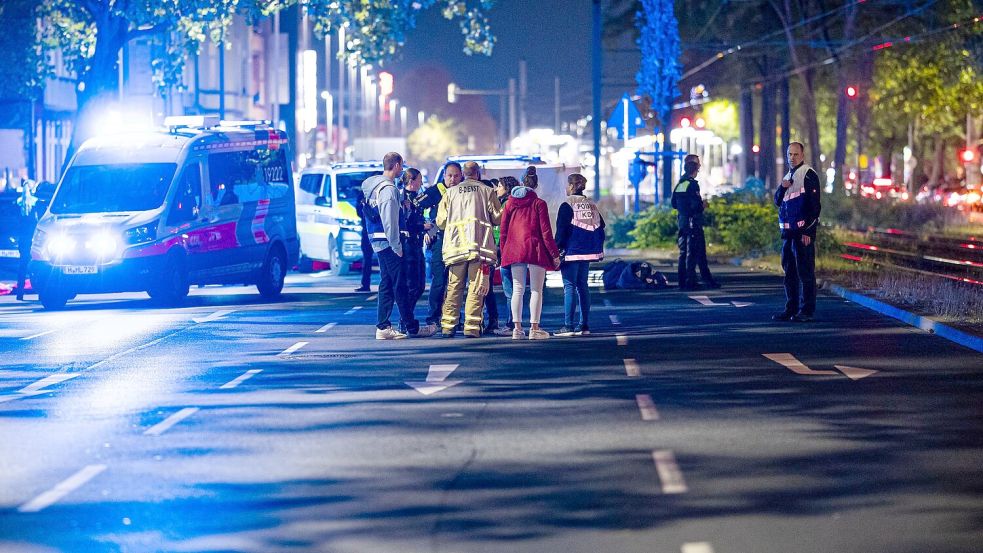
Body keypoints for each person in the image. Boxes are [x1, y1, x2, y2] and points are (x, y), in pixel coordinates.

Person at [361, 152, 434, 339]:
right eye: (401, 165)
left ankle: (383, 327)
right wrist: (397, 246)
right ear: (396, 165)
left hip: (377, 241)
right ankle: (412, 327)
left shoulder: (374, 187)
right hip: (388, 243)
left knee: (387, 283)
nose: (402, 169)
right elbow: (390, 221)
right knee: (400, 285)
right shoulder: (388, 189)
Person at [435, 161, 502, 338]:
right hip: (479, 248)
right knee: (476, 288)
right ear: (478, 174)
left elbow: (440, 222)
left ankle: (448, 326)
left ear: (463, 174)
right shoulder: (487, 191)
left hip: (455, 248)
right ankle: (471, 328)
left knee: (454, 287)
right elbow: (497, 218)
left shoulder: (450, 193)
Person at [500, 166, 561, 340]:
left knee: (517, 290)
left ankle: (517, 329)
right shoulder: (539, 203)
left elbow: (503, 230)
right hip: (535, 250)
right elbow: (546, 233)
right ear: (535, 185)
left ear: (521, 183)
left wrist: (504, 252)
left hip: (514, 250)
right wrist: (555, 255)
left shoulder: (510, 203)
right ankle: (534, 328)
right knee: (536, 290)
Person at [773, 141, 821, 322]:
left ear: (802, 155)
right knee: (790, 273)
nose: (792, 158)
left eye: (795, 154)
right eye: (789, 155)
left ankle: (807, 311)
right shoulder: (788, 175)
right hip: (788, 235)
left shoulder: (808, 174)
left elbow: (814, 206)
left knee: (806, 272)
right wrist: (782, 187)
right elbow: (778, 201)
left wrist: (809, 232)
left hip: (802, 234)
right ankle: (791, 308)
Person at [553, 173, 605, 337]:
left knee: (569, 287)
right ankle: (584, 325)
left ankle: (568, 325)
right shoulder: (591, 204)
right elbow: (601, 225)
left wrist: (556, 250)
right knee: (583, 286)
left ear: (570, 186)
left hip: (571, 252)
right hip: (588, 251)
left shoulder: (567, 204)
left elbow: (561, 232)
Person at [423, 162, 463, 330]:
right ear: (444, 176)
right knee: (439, 281)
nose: (453, 179)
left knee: (455, 282)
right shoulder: (433, 192)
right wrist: (425, 227)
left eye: (456, 175)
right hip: (439, 241)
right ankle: (433, 316)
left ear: (461, 176)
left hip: (459, 242)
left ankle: (453, 317)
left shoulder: (464, 192)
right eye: (449, 175)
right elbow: (418, 209)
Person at [672, 154, 720, 290]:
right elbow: (695, 206)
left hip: (682, 222)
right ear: (694, 167)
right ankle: (691, 282)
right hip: (693, 223)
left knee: (684, 252)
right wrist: (702, 205)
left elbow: (674, 203)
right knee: (694, 253)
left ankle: (684, 281)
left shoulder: (681, 183)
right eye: (698, 165)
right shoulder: (692, 185)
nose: (699, 168)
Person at [490, 176, 520, 336]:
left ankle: (511, 324)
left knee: (510, 291)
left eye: (500, 186)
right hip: (512, 249)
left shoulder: (506, 205)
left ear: (507, 188)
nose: (496, 189)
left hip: (506, 250)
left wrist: (497, 251)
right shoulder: (513, 203)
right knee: (516, 289)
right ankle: (515, 323)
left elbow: (502, 230)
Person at [400, 168, 428, 309]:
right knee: (412, 286)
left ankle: (406, 318)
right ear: (411, 181)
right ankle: (406, 320)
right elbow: (405, 224)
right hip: (408, 245)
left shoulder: (418, 197)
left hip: (417, 244)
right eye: (419, 180)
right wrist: (423, 226)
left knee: (420, 285)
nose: (421, 182)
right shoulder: (402, 198)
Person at [15, 180, 40, 301]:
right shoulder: (35, 202)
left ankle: (20, 293)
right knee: (36, 264)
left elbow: (16, 222)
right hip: (33, 238)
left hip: (23, 239)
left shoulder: (18, 202)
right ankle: (40, 291)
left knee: (22, 266)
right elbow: (38, 221)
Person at [354, 189, 374, 292]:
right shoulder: (365, 193)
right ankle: (365, 284)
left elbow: (359, 211)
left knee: (367, 260)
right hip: (371, 232)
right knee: (368, 259)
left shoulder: (365, 193)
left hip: (368, 231)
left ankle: (365, 284)